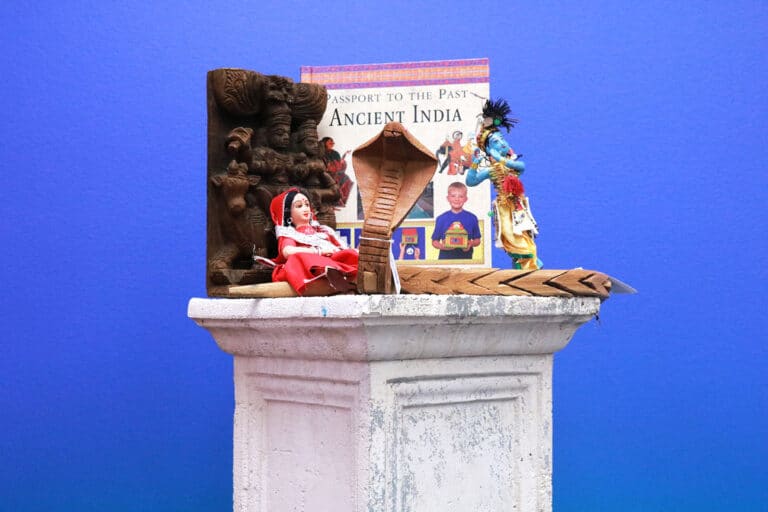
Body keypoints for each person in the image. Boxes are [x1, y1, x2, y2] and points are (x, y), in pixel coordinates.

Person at [466, 98, 541, 270]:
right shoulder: (492, 170)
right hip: (503, 207)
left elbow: (521, 166)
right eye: (495, 142)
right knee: (508, 235)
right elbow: (471, 181)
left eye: (501, 139)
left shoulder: (511, 165)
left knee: (523, 232)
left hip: (518, 206)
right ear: (488, 149)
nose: (501, 143)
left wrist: (501, 159)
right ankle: (522, 265)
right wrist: (475, 164)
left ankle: (530, 264)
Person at [264, 187, 358, 295]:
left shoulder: (323, 231)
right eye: (299, 206)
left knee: (350, 254)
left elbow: (341, 248)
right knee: (299, 257)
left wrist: (335, 251)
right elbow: (287, 252)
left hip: (331, 260)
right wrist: (317, 251)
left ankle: (343, 275)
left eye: (307, 205)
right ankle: (331, 275)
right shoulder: (289, 233)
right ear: (288, 215)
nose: (305, 208)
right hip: (309, 266)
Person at [431, 182, 482, 259]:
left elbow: (477, 240)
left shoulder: (472, 218)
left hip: (466, 260)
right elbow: (434, 242)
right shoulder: (441, 219)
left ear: (466, 199)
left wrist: (470, 244)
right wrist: (443, 247)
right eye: (453, 196)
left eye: (461, 196)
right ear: (448, 198)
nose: (456, 199)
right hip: (445, 261)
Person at [320, 137, 353, 207]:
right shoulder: (321, 153)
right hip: (325, 173)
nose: (332, 143)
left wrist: (342, 163)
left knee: (347, 180)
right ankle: (333, 200)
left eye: (333, 142)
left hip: (337, 172)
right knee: (334, 181)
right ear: (324, 143)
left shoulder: (335, 153)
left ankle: (341, 200)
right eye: (330, 142)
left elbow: (340, 165)